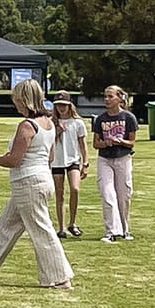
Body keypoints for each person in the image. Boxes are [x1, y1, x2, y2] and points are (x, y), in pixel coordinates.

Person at [0, 78, 73, 289]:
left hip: (28, 183)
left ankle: (60, 277)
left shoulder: (27, 125)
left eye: (16, 99)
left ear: (25, 100)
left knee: (41, 230)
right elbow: (50, 156)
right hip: (40, 179)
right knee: (7, 224)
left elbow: (15, 160)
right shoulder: (49, 124)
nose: (14, 103)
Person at [92, 85, 138, 241]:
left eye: (110, 96)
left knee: (123, 195)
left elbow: (131, 142)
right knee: (107, 193)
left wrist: (120, 141)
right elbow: (96, 143)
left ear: (119, 98)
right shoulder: (100, 119)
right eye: (105, 96)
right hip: (105, 159)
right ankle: (111, 231)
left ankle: (125, 229)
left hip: (123, 158)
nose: (107, 99)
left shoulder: (128, 118)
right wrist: (106, 143)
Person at [50, 93, 89, 238]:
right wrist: (57, 131)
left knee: (75, 188)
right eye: (58, 105)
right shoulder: (51, 122)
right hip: (57, 161)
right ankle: (61, 228)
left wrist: (85, 163)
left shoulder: (77, 123)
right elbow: (47, 142)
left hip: (73, 160)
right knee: (59, 194)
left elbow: (83, 144)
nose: (61, 108)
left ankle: (72, 222)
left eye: (64, 105)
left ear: (69, 105)